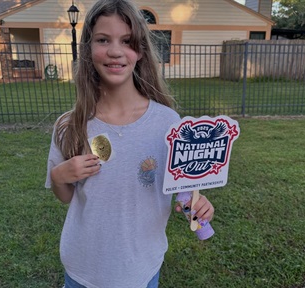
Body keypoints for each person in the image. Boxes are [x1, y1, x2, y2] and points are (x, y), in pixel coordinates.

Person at [45, 0, 214, 287]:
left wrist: (197, 205)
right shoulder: (70, 124)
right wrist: (59, 175)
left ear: (140, 52)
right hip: (82, 269)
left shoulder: (167, 123)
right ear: (87, 49)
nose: (114, 51)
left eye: (127, 41)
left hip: (142, 267)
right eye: (102, 40)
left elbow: (183, 190)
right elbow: (65, 196)